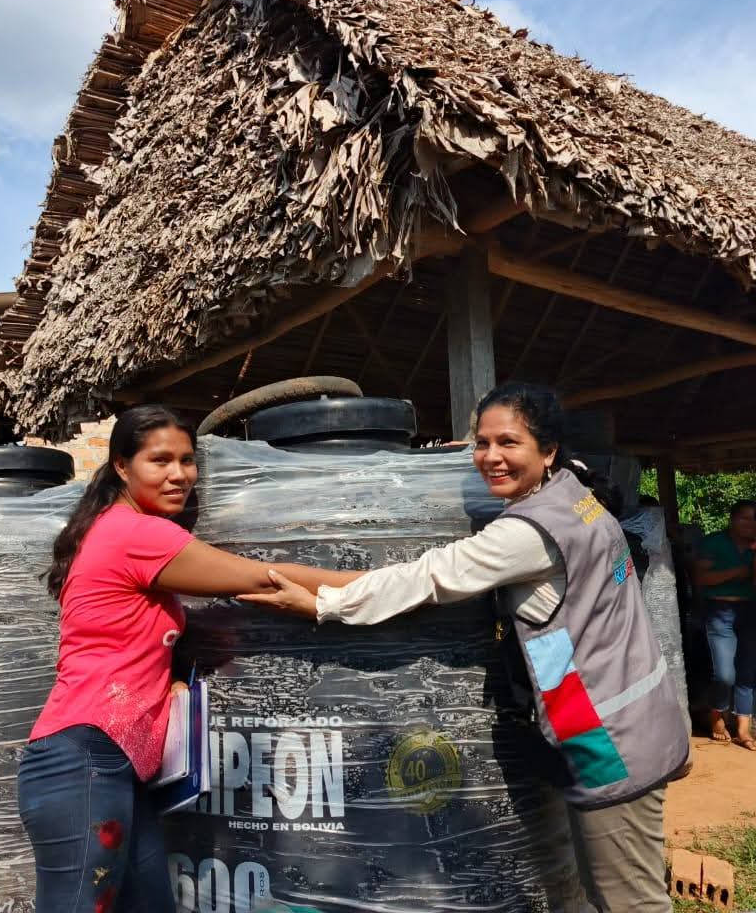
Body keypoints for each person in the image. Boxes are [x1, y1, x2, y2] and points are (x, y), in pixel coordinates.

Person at [243, 382, 689, 913]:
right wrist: (466, 458)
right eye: (483, 443)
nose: (490, 457)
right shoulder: (577, 492)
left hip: (607, 738)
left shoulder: (527, 533)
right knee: (590, 889)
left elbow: (427, 577)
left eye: (509, 443)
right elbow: (538, 463)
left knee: (628, 901)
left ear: (546, 451)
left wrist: (324, 606)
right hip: (637, 714)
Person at [16, 406, 356, 913]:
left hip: (113, 765)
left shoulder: (114, 527)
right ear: (121, 467)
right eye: (160, 461)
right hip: (84, 758)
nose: (179, 474)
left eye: (188, 460)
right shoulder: (138, 534)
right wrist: (390, 585)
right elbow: (262, 578)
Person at [693, 501, 756, 751]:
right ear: (732, 519)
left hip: (751, 612)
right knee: (724, 674)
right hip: (719, 611)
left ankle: (743, 731)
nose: (750, 524)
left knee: (747, 671)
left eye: (755, 520)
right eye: (744, 519)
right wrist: (735, 573)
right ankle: (717, 716)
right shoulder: (713, 543)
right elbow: (700, 578)